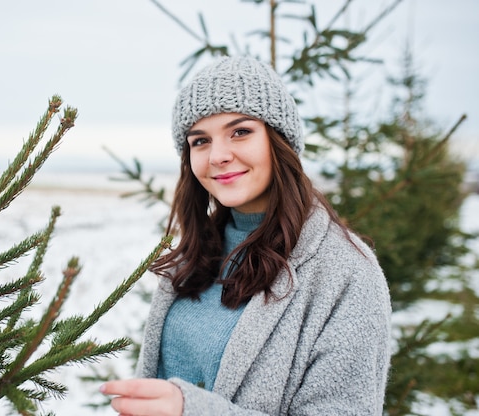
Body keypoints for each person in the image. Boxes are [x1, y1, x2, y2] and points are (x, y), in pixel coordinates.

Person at [100, 56, 391, 415]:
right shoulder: (195, 255)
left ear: (278, 140)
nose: (218, 156)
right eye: (200, 141)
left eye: (240, 131)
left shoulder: (347, 272)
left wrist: (193, 410)